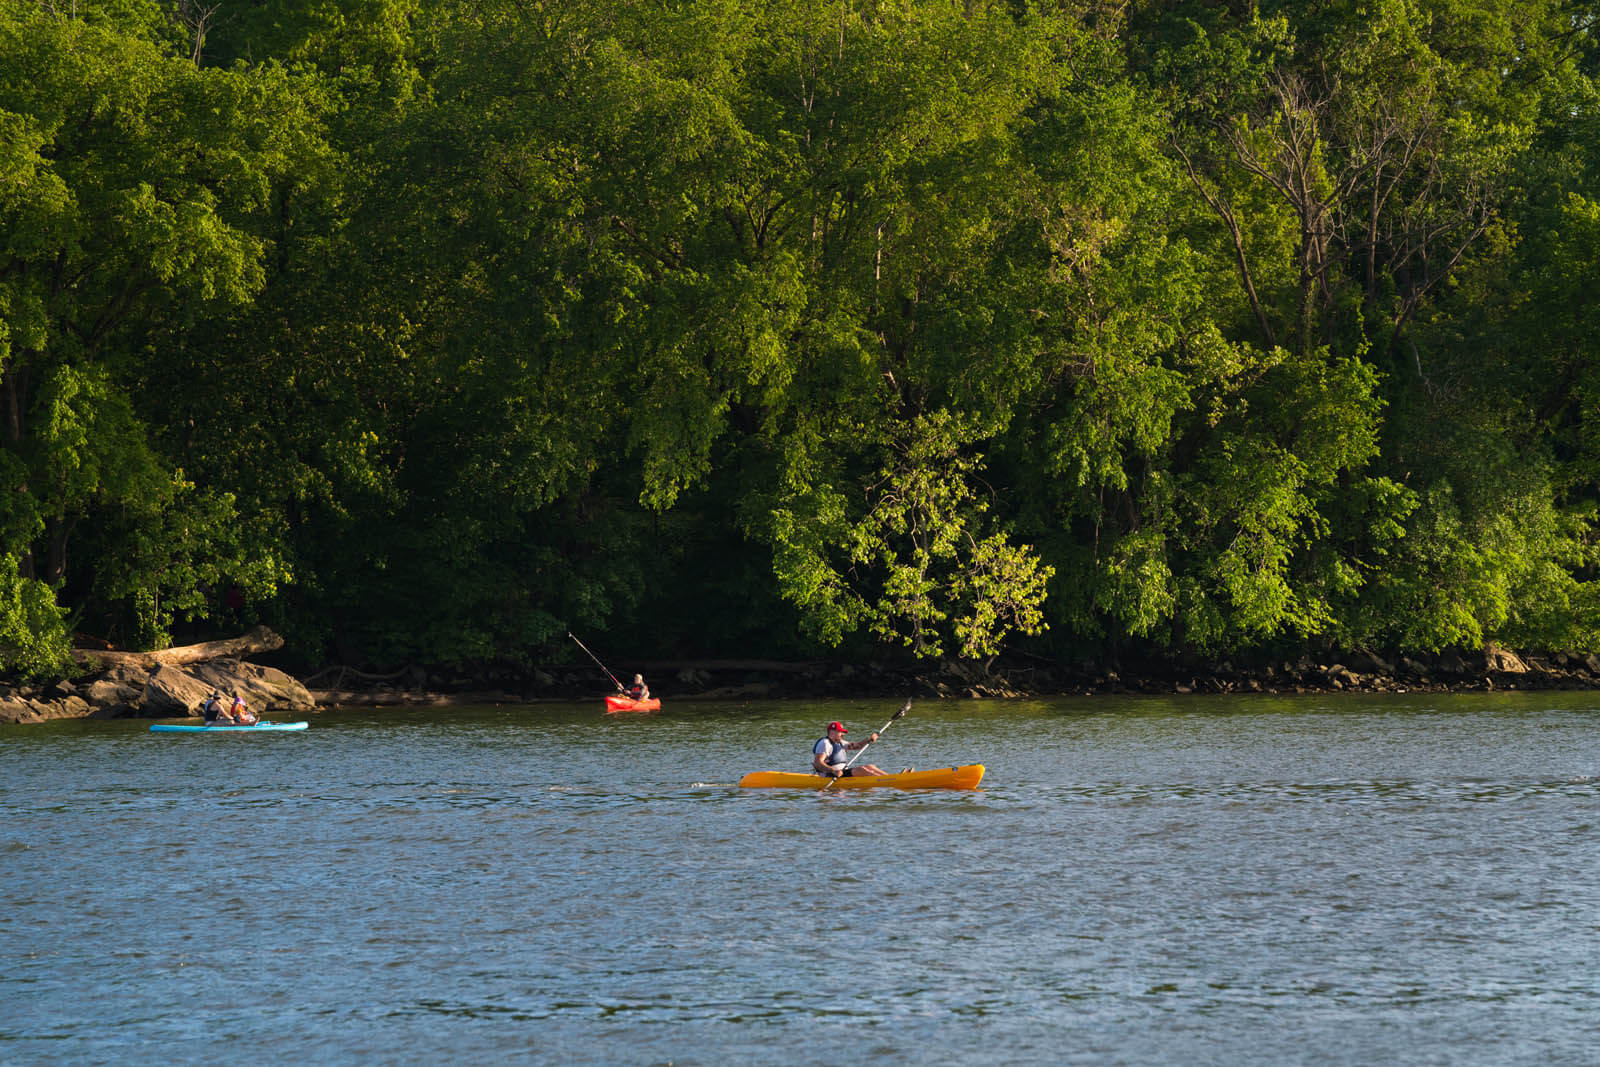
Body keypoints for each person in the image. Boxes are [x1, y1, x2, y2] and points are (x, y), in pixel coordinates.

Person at [812, 720, 888, 778]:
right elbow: (818, 763)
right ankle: (884, 781)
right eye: (840, 732)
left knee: (871, 766)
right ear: (832, 732)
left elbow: (858, 745)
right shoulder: (825, 743)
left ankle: (889, 778)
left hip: (842, 772)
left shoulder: (840, 742)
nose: (843, 734)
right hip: (830, 775)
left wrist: (869, 739)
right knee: (862, 770)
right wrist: (833, 771)